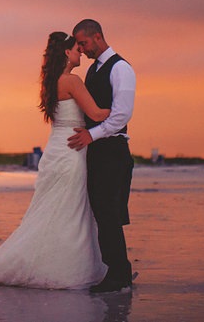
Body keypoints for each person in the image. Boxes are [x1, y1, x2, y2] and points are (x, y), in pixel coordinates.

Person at [0, 31, 109, 289]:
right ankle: (68, 269)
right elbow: (97, 113)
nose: (81, 52)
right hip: (71, 153)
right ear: (67, 53)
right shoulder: (72, 81)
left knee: (52, 212)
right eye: (77, 49)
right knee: (71, 213)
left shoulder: (51, 82)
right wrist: (123, 107)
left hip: (56, 150)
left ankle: (50, 262)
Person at [67, 18, 136, 293]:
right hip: (96, 151)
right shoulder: (93, 71)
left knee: (109, 214)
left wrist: (91, 135)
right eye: (79, 46)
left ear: (97, 36)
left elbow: (121, 115)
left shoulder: (121, 68)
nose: (81, 50)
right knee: (101, 213)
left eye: (83, 43)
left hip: (113, 151)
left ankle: (119, 274)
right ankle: (117, 271)